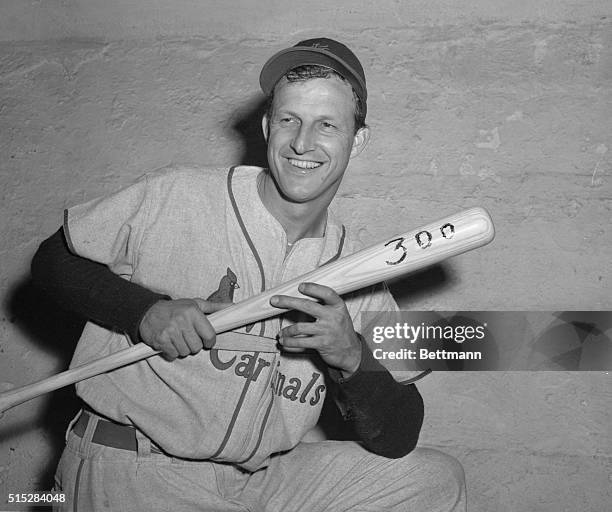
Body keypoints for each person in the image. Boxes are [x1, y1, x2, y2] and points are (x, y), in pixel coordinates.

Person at [32, 38, 466, 511]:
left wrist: (351, 357)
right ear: (266, 126)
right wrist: (143, 311)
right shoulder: (178, 193)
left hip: (258, 479)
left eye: (326, 125)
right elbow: (52, 261)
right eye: (289, 120)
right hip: (136, 468)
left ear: (357, 140)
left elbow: (400, 434)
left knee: (430, 480)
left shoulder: (360, 266)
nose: (303, 143)